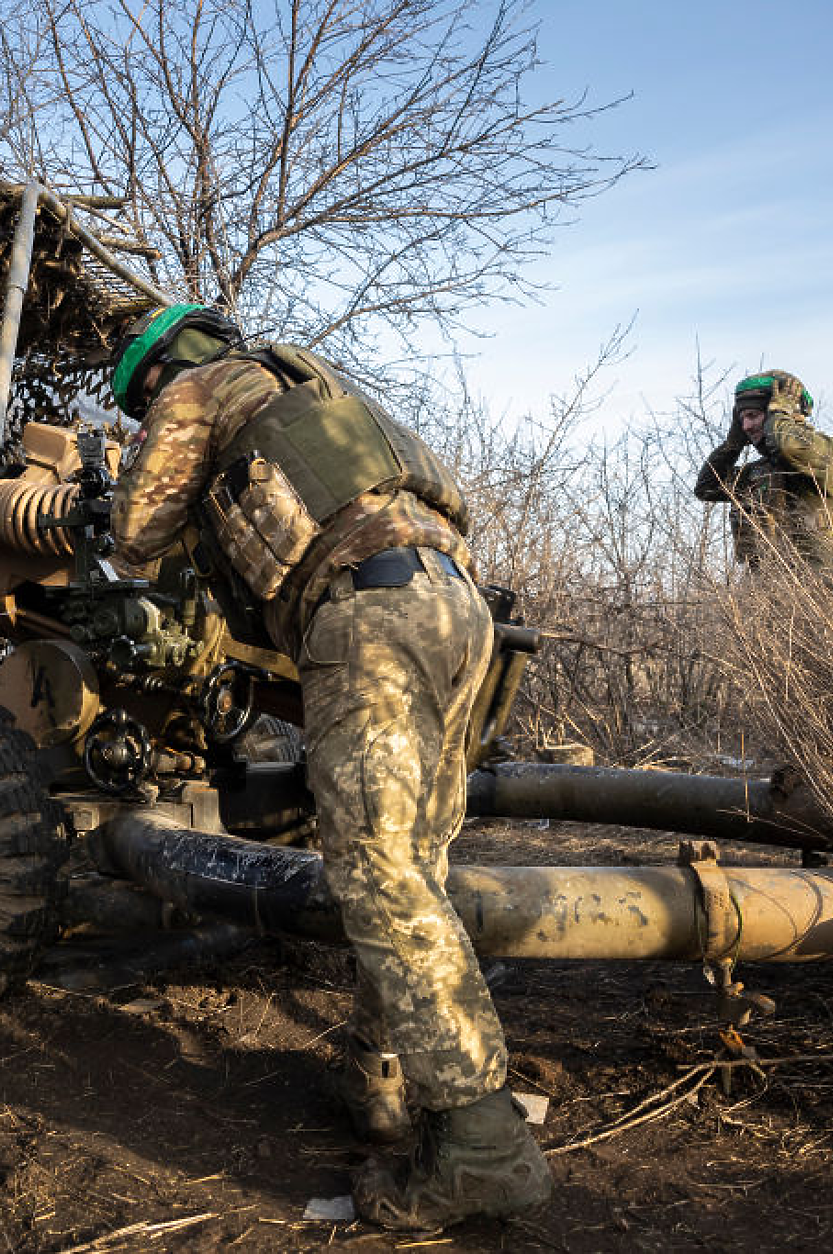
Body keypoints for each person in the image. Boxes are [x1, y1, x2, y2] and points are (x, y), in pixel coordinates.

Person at [106, 303, 551, 1229]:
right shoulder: (322, 395)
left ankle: (482, 1144)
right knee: (413, 872)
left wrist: (112, 489)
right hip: (456, 609)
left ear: (156, 373)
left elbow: (137, 532)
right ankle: (385, 1083)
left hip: (366, 615)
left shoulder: (198, 389)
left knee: (379, 875)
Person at [694, 370, 833, 571]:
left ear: (786, 412)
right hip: (764, 594)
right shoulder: (758, 473)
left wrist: (780, 413)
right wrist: (732, 445)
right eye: (741, 419)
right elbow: (707, 487)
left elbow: (787, 446)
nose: (745, 426)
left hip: (818, 590)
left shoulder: (826, 452)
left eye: (753, 416)